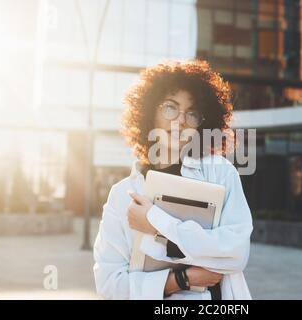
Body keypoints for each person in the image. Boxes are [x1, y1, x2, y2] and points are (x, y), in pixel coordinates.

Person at [93, 60, 253, 300]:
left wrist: (155, 224)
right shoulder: (122, 194)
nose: (180, 121)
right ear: (149, 112)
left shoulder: (220, 174)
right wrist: (181, 280)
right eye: (170, 107)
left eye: (192, 113)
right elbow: (110, 286)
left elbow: (236, 254)